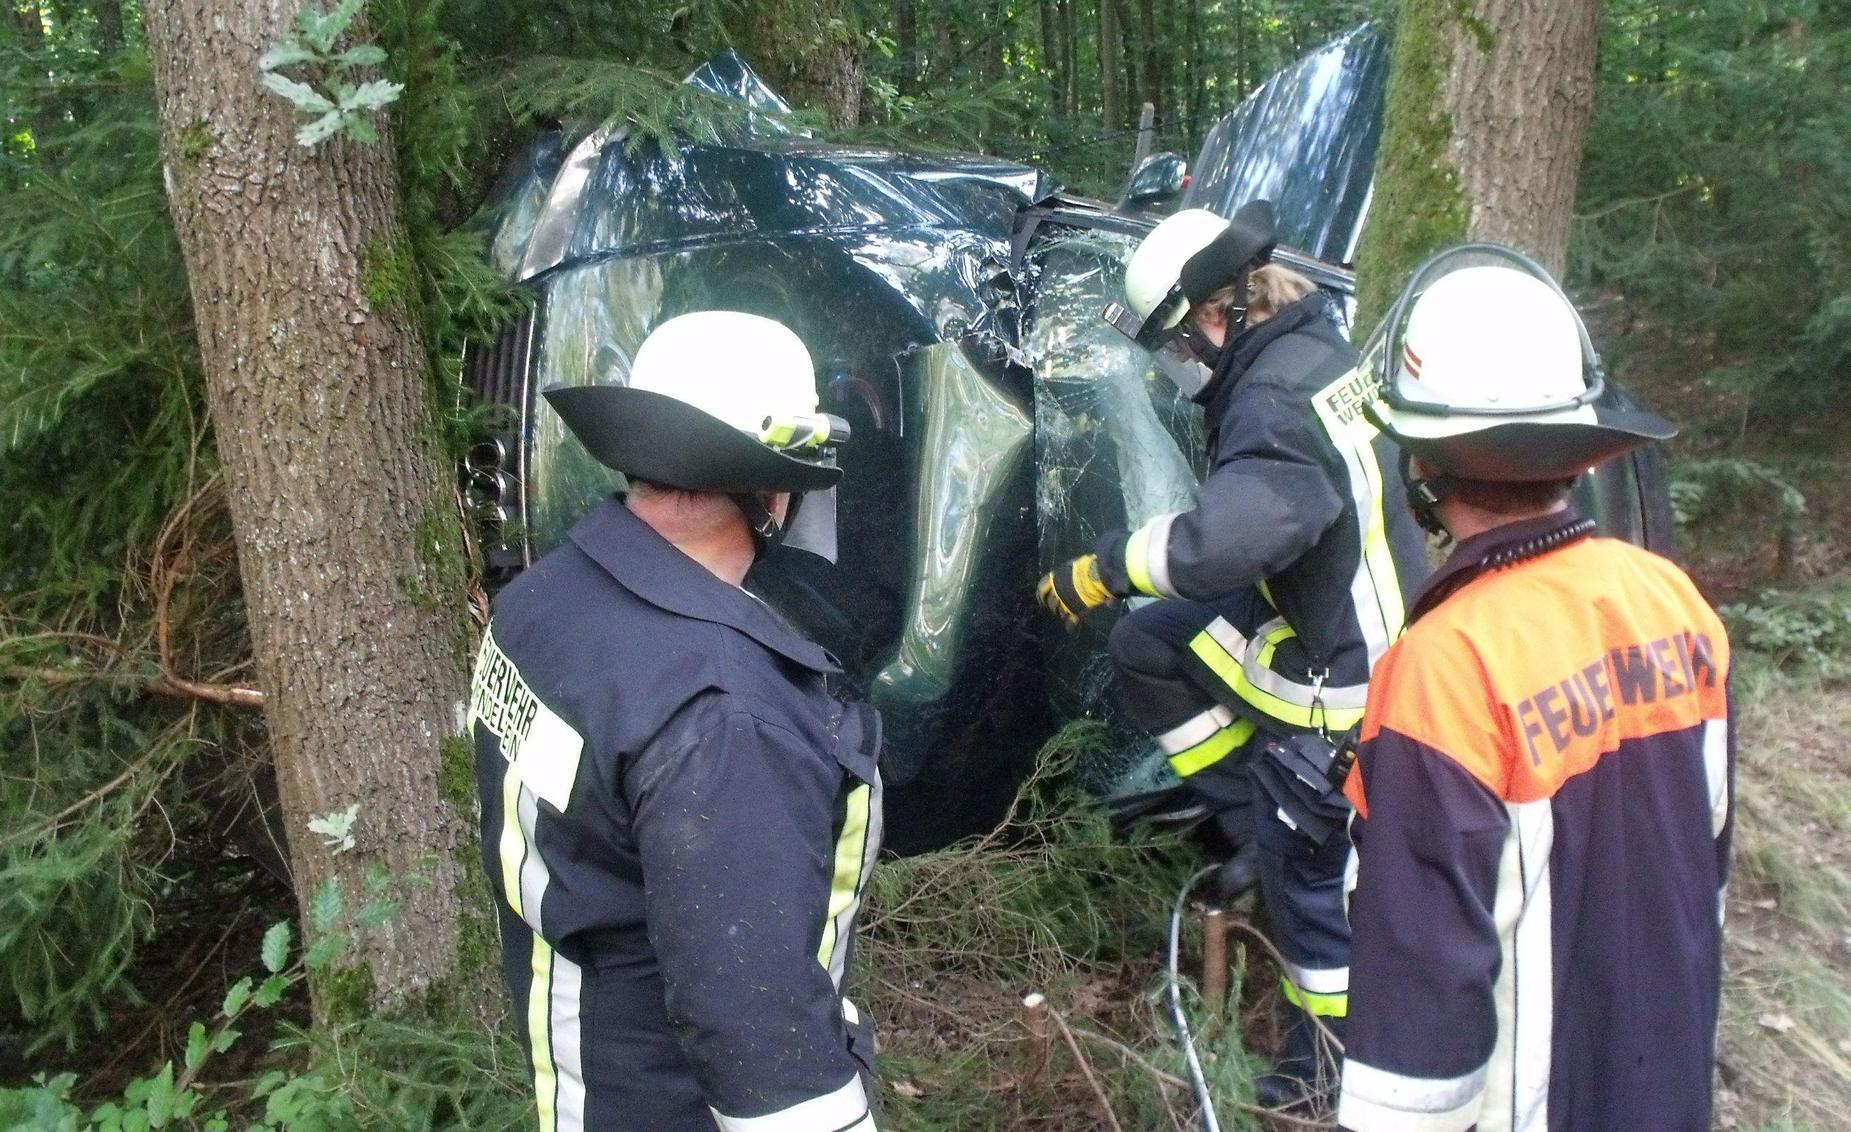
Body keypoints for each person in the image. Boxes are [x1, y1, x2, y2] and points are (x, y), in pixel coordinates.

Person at [1036, 201, 1429, 1106]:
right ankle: (1245, 820)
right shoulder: (1313, 353)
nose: (1174, 368)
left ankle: (1321, 1070)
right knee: (1150, 642)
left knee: (1307, 882)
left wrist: (1104, 568)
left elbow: (1225, 544)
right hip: (1349, 629)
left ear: (1218, 313)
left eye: (1173, 346)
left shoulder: (1271, 398)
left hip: (1345, 685)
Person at [1336, 251, 1731, 1132]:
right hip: (1666, 1083)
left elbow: (1420, 990)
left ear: (1423, 466)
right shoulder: (1670, 598)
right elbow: (1703, 858)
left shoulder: (1446, 665)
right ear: (1576, 452)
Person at [467, 310, 881, 1132]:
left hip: (588, 1078)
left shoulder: (543, 602)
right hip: (679, 1104)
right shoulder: (725, 717)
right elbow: (758, 1038)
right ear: (772, 491)